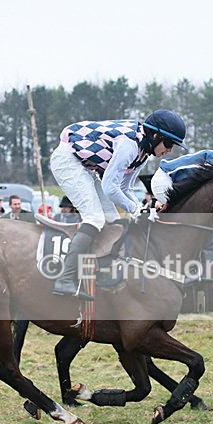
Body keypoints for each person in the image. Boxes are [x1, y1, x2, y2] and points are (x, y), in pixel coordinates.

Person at [49, 108, 187, 299]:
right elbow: (110, 188)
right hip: (68, 160)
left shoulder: (143, 151)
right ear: (155, 135)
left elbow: (126, 188)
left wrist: (142, 209)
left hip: (84, 165)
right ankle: (65, 279)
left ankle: (102, 274)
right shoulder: (129, 145)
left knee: (113, 221)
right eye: (169, 143)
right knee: (95, 218)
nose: (170, 150)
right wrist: (135, 210)